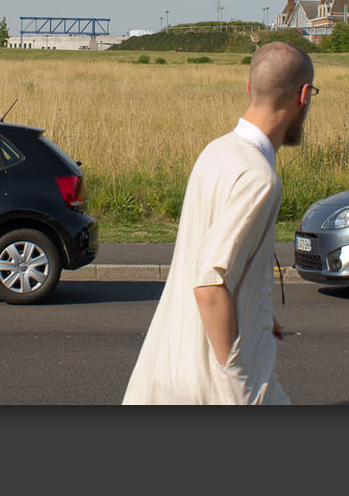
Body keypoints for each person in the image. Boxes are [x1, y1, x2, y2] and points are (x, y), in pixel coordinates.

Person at [123, 41, 315, 405]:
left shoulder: (217, 151)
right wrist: (237, 379)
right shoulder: (258, 177)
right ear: (303, 95)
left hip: (167, 372)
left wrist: (256, 310)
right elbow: (210, 284)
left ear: (249, 87)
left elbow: (211, 256)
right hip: (218, 387)